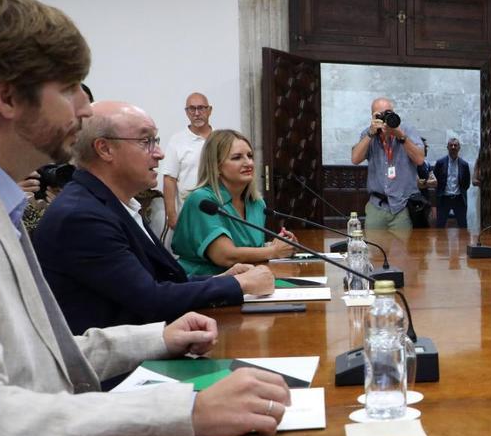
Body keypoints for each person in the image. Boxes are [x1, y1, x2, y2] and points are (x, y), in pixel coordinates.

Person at [0, 0, 291, 436]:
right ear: (7, 98)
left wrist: (155, 338)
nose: (84, 110)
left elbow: (43, 356)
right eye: (67, 90)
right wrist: (182, 413)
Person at [33, 101, 276, 334]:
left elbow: (159, 280)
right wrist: (239, 285)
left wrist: (219, 278)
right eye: (146, 141)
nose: (159, 154)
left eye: (155, 141)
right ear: (105, 149)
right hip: (121, 367)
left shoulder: (117, 203)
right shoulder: (82, 216)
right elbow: (150, 299)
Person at [171, 129, 296, 274]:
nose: (248, 163)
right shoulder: (203, 201)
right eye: (237, 157)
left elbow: (250, 247)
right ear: (216, 166)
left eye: (250, 156)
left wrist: (282, 245)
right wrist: (273, 251)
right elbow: (225, 256)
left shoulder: (257, 203)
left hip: (249, 281)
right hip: (204, 285)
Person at [349, 97, 427, 230]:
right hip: (377, 206)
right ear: (373, 117)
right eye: (380, 115)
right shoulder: (369, 134)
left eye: (388, 113)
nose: (385, 118)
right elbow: (355, 159)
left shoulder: (407, 130)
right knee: (374, 248)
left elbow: (420, 159)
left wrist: (401, 137)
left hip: (402, 206)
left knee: (402, 250)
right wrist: (370, 134)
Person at [158, 92, 213, 244]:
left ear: (210, 110)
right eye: (192, 109)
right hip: (189, 213)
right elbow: (169, 178)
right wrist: (171, 214)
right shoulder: (177, 141)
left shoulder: (220, 139)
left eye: (201, 108)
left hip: (219, 211)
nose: (196, 113)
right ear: (186, 112)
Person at [433, 137, 471, 228]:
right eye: (451, 145)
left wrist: (461, 190)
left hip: (459, 199)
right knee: (440, 225)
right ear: (447, 147)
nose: (453, 147)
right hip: (444, 198)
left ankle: (464, 242)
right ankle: (440, 242)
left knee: (463, 225)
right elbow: (434, 180)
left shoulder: (464, 165)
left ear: (459, 148)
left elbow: (467, 183)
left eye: (455, 145)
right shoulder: (440, 163)